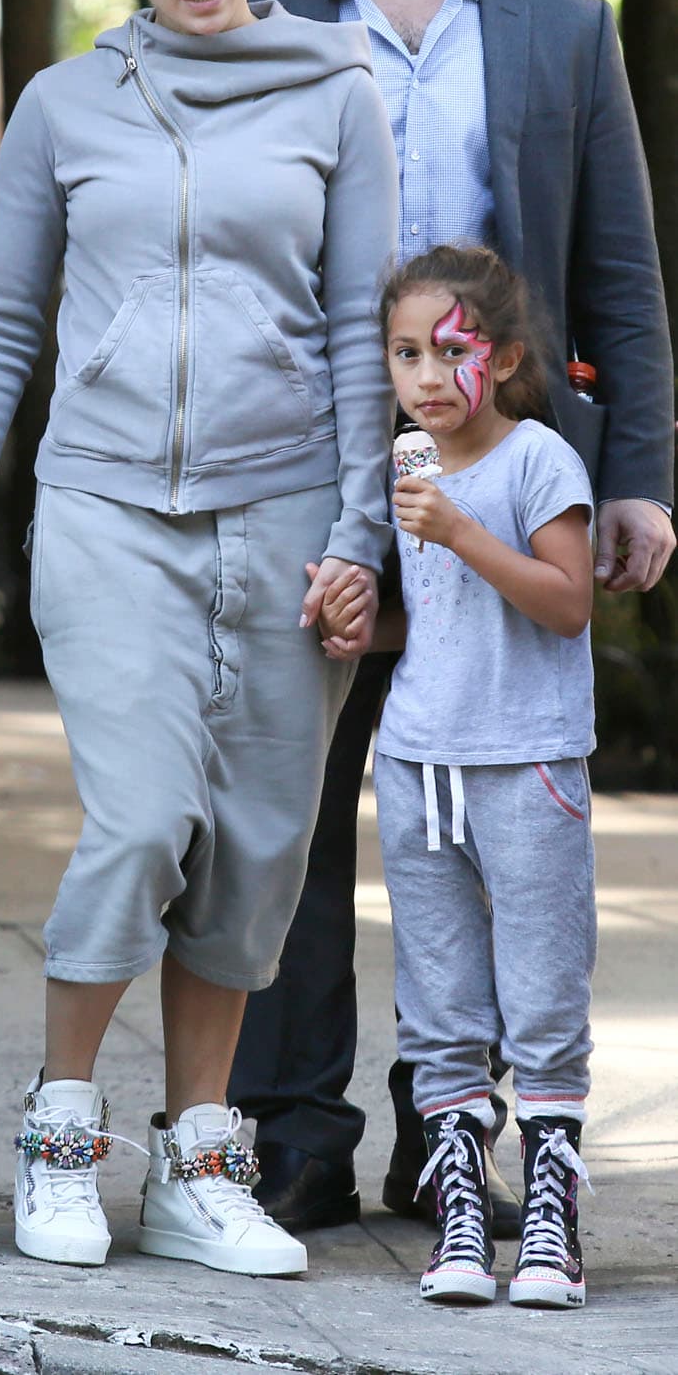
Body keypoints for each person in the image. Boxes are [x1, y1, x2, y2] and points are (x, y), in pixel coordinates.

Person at [0, 0, 398, 1277]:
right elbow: (2, 318)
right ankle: (59, 1137)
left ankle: (195, 1168)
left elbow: (357, 333)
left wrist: (358, 537)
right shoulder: (65, 104)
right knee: (139, 822)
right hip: (105, 505)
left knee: (252, 852)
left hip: (284, 511)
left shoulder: (336, 90)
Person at [231, 0, 675, 1238]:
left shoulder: (562, 32)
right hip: (302, 481)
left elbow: (619, 275)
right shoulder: (259, 13)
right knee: (292, 821)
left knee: (481, 829)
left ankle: (451, 1130)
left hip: (497, 488)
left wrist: (637, 479)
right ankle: (293, 1136)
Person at [375, 243, 595, 1309]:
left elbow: (567, 602)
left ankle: (552, 1219)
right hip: (419, 760)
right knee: (438, 1000)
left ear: (503, 358)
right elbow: (437, 614)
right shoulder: (407, 462)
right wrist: (357, 619)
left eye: (449, 351)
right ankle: (459, 1207)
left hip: (527, 761)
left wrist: (460, 529)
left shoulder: (537, 460)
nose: (425, 376)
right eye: (404, 353)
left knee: (543, 995)